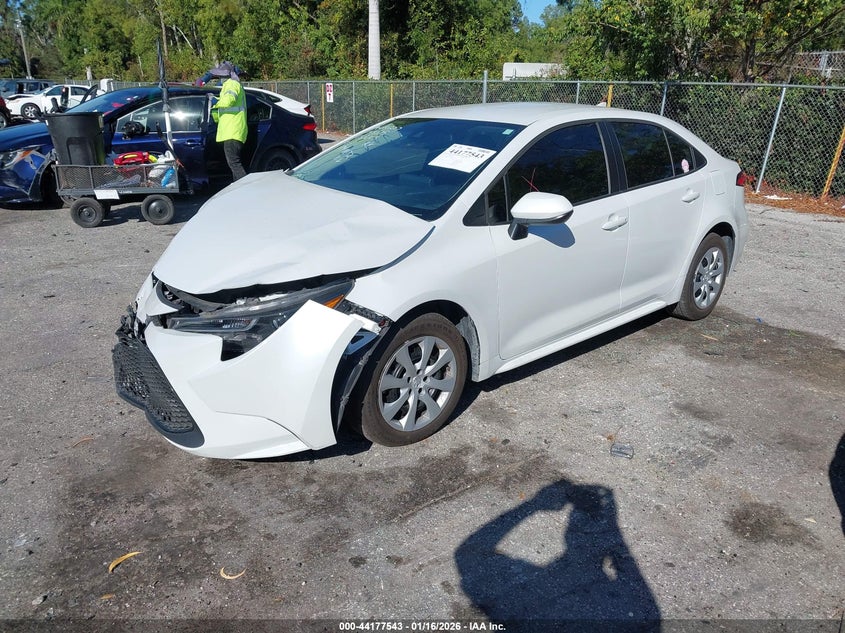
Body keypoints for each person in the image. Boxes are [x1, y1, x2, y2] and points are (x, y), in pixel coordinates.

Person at [210, 61, 248, 181]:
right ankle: (238, 189)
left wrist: (214, 102)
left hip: (232, 130)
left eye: (221, 76)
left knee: (234, 163)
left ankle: (246, 187)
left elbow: (228, 101)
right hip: (233, 129)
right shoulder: (232, 84)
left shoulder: (231, 84)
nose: (220, 78)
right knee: (234, 163)